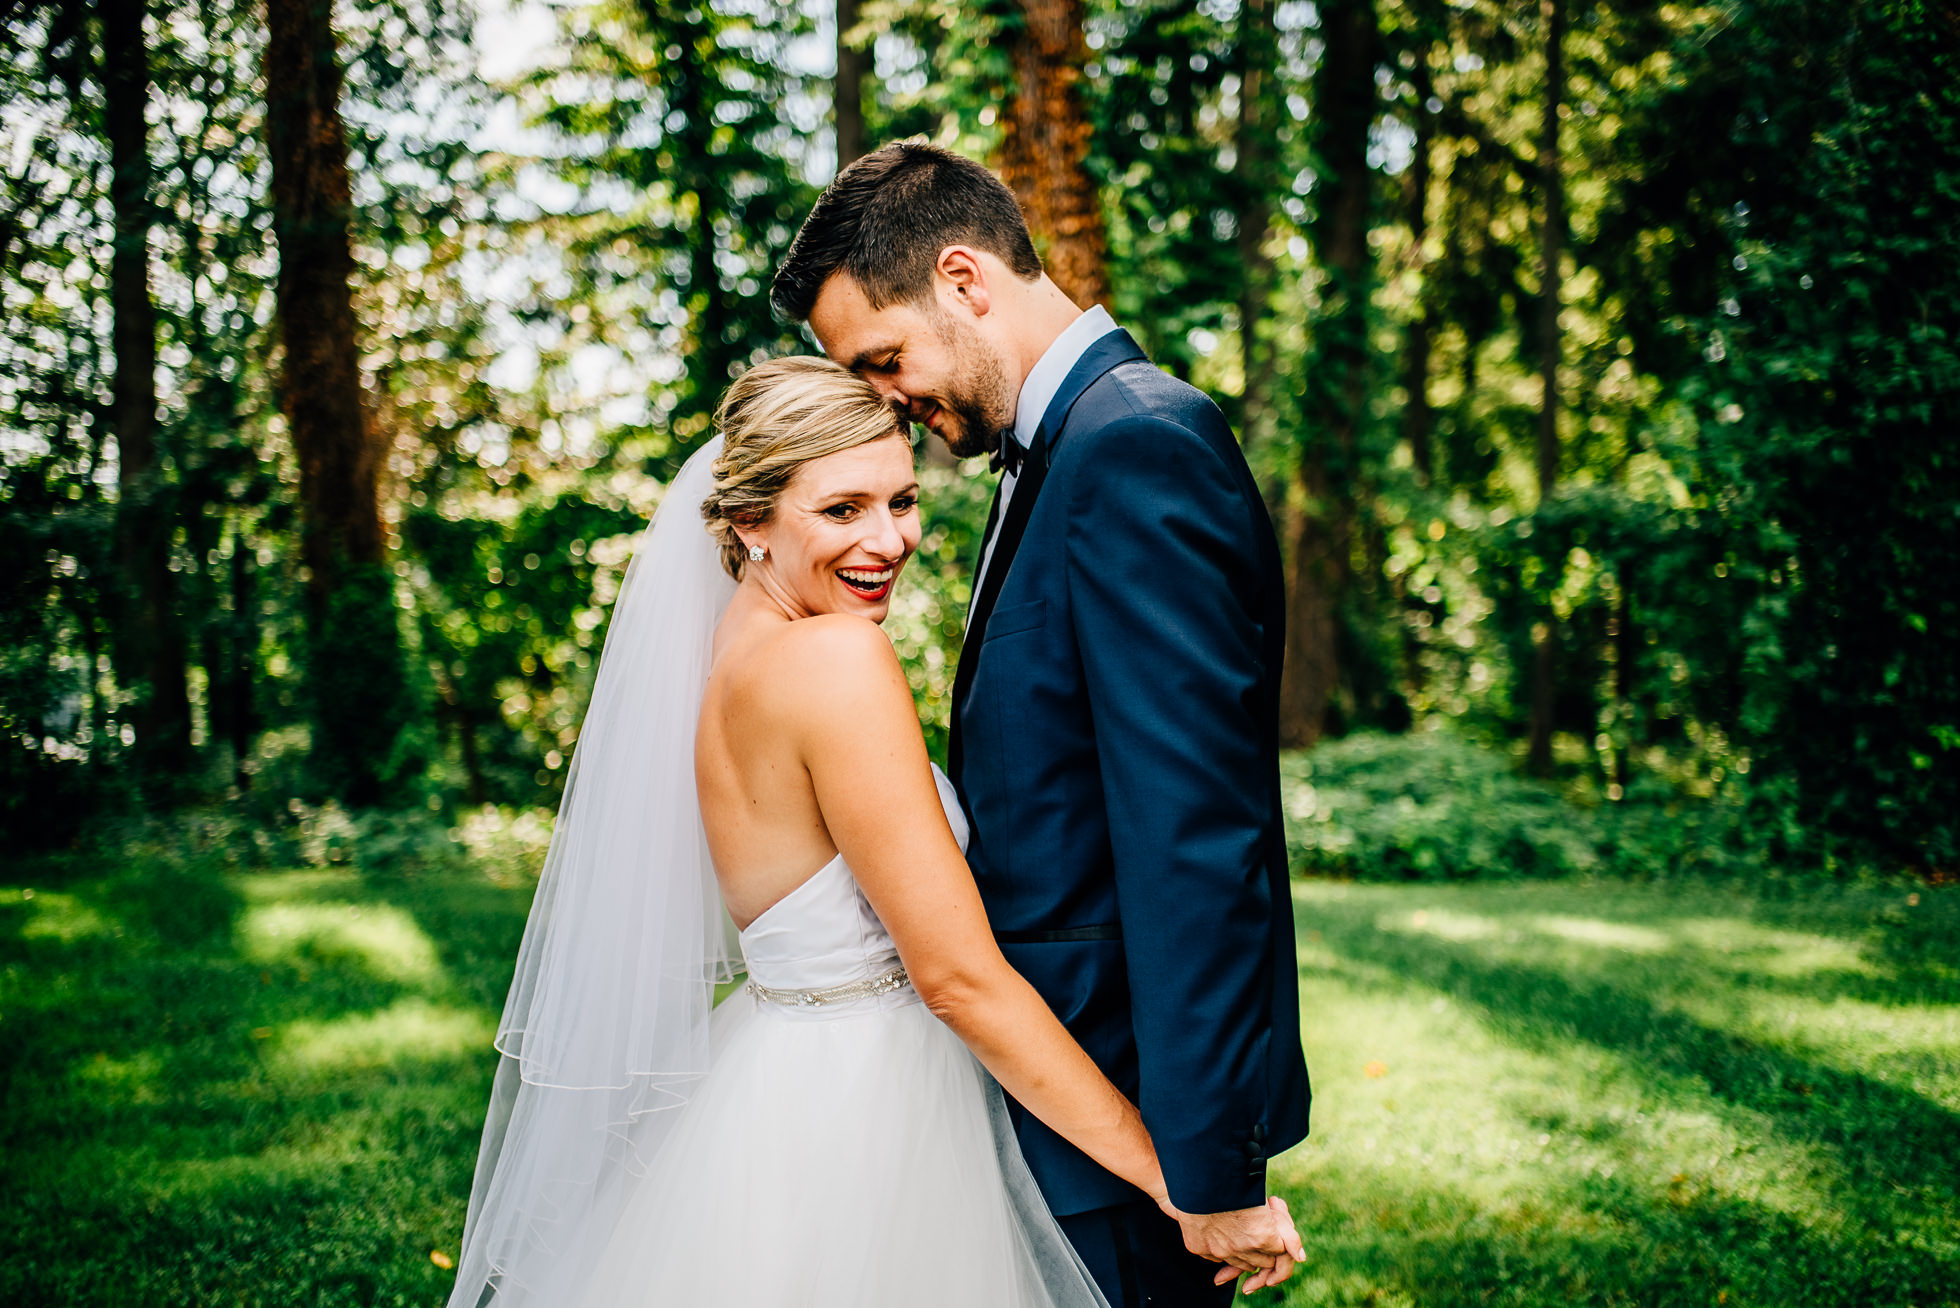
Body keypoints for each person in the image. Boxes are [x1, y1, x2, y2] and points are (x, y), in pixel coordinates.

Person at [445, 357, 1302, 1308]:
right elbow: (958, 978)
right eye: (843, 510)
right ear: (749, 522)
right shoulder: (838, 658)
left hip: (775, 1080)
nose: (888, 540)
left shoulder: (729, 649)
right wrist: (1176, 1182)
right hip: (873, 1113)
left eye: (901, 501)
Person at [771, 141, 1313, 1308]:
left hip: (1126, 1131)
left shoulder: (1134, 448)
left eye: (883, 358)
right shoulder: (1057, 456)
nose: (884, 402)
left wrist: (1207, 1165)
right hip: (1054, 1111)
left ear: (963, 280)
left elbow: (1194, 838)